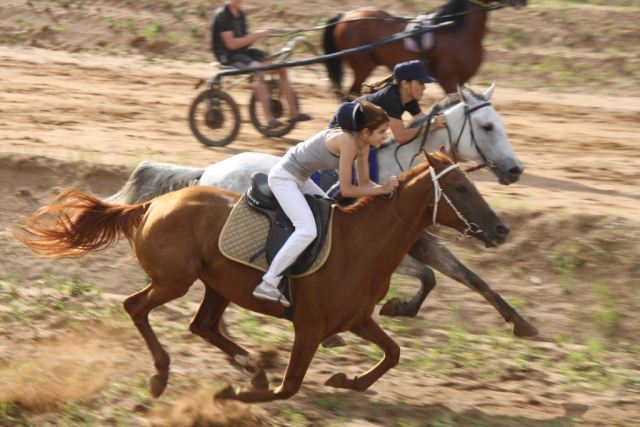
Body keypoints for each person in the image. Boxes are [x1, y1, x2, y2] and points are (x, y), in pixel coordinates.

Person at [253, 101, 399, 306]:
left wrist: (389, 190)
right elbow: (347, 190)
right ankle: (268, 283)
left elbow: (365, 183)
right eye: (382, 131)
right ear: (366, 131)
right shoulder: (348, 142)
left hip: (301, 179)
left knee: (331, 215)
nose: (386, 136)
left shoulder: (364, 144)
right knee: (307, 230)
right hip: (283, 178)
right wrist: (382, 189)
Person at [327, 60, 446, 182]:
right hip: (342, 133)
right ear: (405, 83)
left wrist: (437, 118)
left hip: (363, 134)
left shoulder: (408, 98)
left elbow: (422, 119)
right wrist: (432, 126)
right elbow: (401, 136)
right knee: (365, 175)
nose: (424, 87)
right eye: (420, 83)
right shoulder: (391, 98)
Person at [211, 0, 311, 129]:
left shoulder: (241, 14)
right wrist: (256, 36)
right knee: (259, 69)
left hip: (243, 52)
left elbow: (244, 41)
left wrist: (261, 34)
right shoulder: (222, 15)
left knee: (281, 66)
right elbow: (231, 44)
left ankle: (294, 113)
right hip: (228, 56)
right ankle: (269, 119)